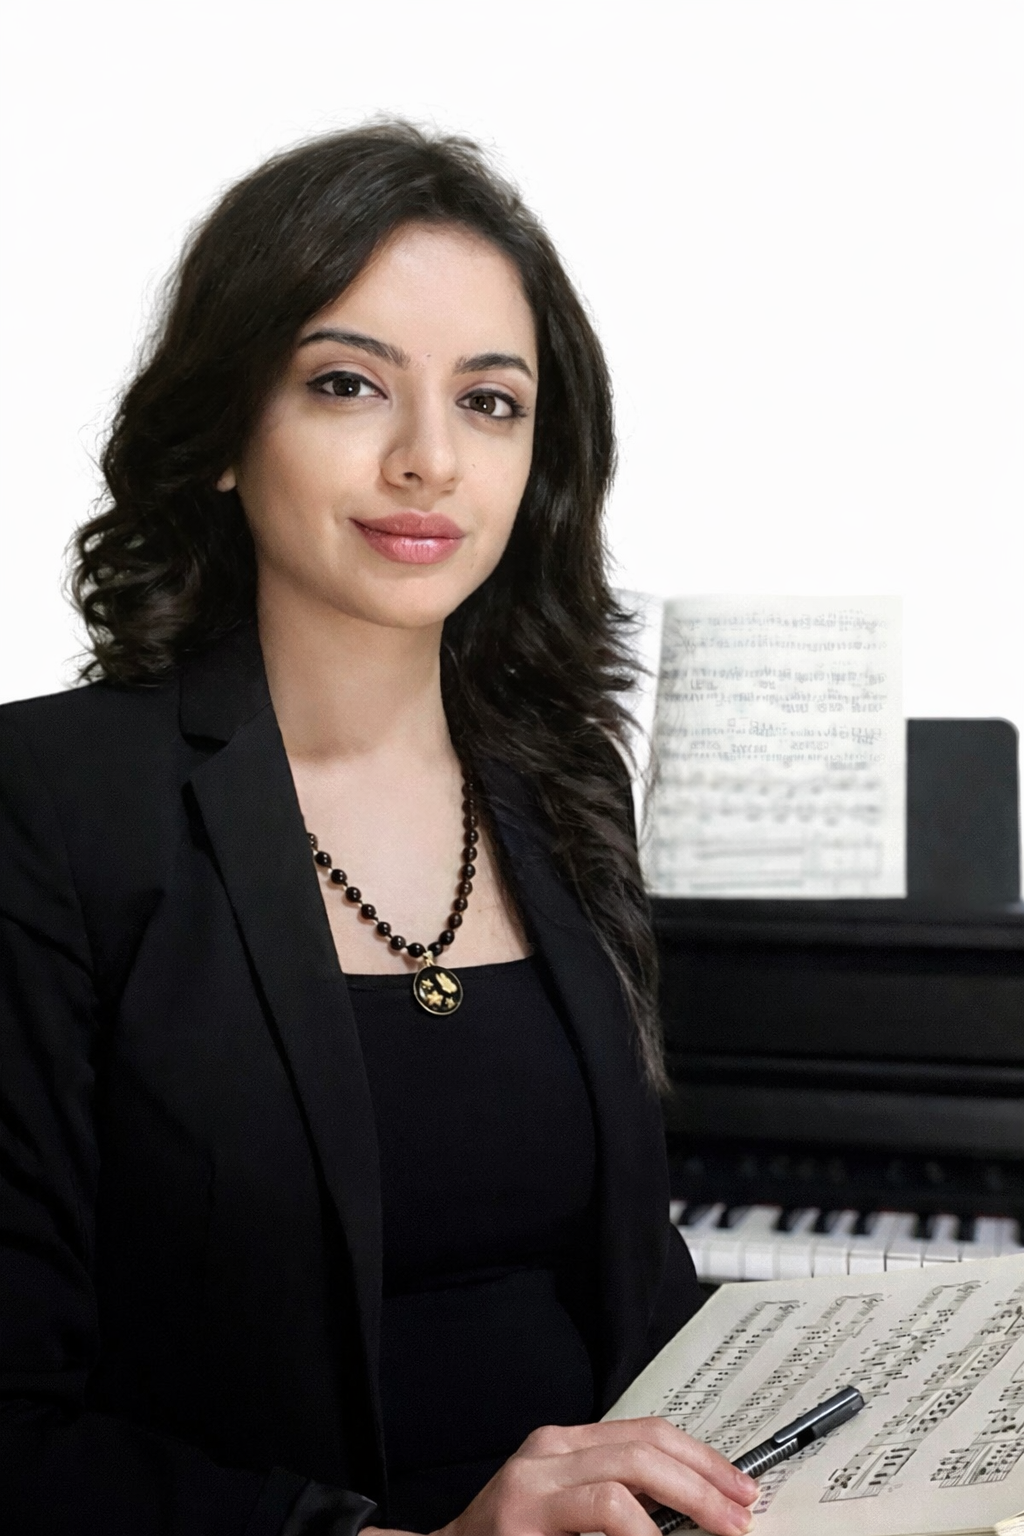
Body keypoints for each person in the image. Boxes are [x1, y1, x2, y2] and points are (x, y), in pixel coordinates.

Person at [0, 123, 758, 1536]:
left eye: (490, 403)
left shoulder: (557, 777)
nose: (428, 460)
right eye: (348, 385)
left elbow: (637, 1284)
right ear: (227, 432)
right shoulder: (47, 803)